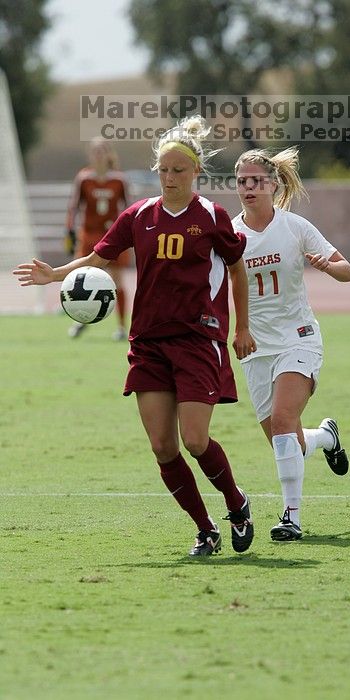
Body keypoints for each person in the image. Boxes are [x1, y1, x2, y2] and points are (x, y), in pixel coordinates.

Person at [14, 116, 256, 557]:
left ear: (195, 172)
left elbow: (237, 269)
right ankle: (206, 530)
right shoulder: (140, 215)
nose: (169, 178)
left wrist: (241, 326)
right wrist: (57, 275)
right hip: (148, 342)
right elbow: (99, 255)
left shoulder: (212, 217)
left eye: (178, 171)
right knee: (164, 447)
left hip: (198, 340)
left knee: (195, 441)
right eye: (163, 170)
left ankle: (237, 504)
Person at [232, 146, 350, 541]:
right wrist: (237, 329)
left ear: (272, 184)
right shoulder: (231, 235)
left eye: (256, 181)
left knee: (285, 423)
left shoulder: (295, 227)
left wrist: (326, 265)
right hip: (255, 348)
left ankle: (291, 517)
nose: (248, 188)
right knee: (288, 443)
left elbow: (347, 271)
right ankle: (326, 437)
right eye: (242, 181)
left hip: (298, 338)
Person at [65, 137, 130, 340]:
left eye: (102, 150)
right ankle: (81, 319)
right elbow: (74, 206)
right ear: (90, 154)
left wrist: (129, 234)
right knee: (82, 279)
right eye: (95, 151)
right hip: (89, 235)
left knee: (117, 280)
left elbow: (129, 209)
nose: (99, 154)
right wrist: (69, 230)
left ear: (109, 154)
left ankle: (121, 327)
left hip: (112, 236)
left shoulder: (119, 179)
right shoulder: (84, 178)